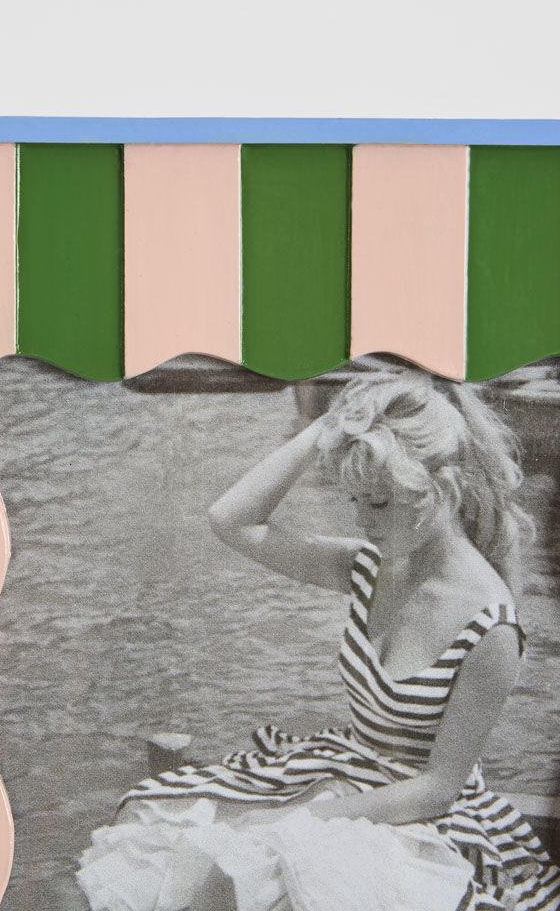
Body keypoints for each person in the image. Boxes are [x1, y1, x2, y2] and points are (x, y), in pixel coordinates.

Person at [76, 371, 560, 911]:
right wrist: (330, 424)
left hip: (418, 816)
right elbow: (231, 520)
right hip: (347, 771)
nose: (363, 521)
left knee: (255, 872)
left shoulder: (491, 627)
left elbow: (437, 788)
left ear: (441, 489)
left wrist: (300, 818)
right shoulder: (371, 566)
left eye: (378, 503)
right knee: (159, 830)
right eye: (355, 500)